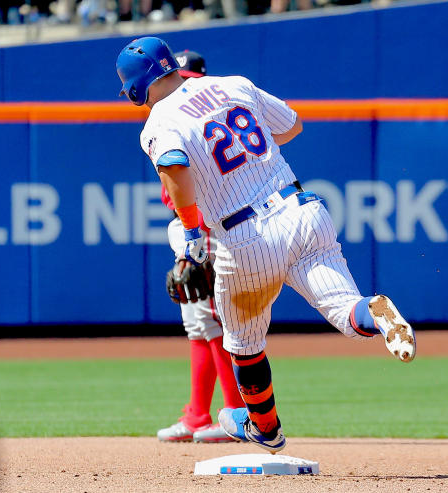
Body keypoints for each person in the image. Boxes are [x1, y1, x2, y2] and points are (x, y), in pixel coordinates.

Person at [116, 36, 416, 454]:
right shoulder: (233, 84)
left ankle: (266, 428)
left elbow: (175, 168)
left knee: (243, 346)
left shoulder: (159, 122)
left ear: (133, 88)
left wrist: (190, 239)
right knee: (348, 314)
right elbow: (292, 125)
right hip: (302, 209)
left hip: (245, 239)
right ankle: (378, 311)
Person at [157, 51, 244, 443]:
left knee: (213, 320)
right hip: (191, 225)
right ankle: (197, 415)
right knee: (198, 324)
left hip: (207, 225)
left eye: (188, 77)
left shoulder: (196, 118)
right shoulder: (172, 120)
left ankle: (240, 413)